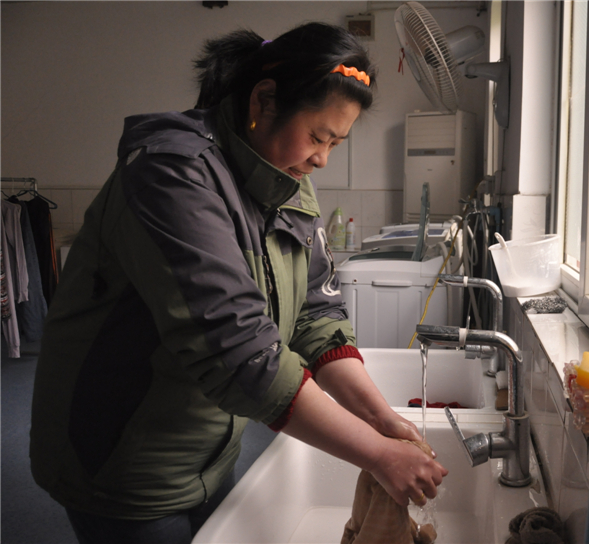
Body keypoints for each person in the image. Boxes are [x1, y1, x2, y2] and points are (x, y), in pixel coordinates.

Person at [30, 23, 447, 544]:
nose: (322, 158)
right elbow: (240, 351)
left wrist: (380, 418)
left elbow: (315, 313)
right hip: (125, 457)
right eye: (318, 137)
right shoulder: (172, 174)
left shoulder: (286, 177)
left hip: (208, 445)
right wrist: (377, 454)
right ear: (264, 101)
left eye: (336, 143)